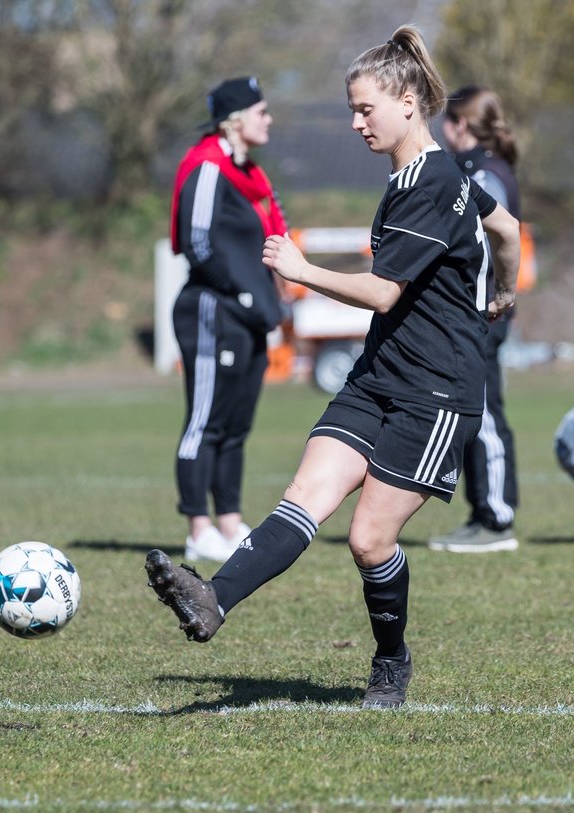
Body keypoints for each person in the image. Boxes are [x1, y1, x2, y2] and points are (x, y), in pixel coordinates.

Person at [144, 25, 521, 710]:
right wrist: (505, 287)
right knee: (303, 499)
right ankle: (212, 599)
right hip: (378, 377)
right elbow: (504, 230)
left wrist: (301, 269)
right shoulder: (433, 177)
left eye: (364, 109)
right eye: (351, 109)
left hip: (435, 395)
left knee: (369, 540)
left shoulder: (432, 183)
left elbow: (382, 291)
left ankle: (391, 661)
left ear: (408, 101)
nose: (354, 123)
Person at [168, 77, 288, 563]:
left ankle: (230, 522)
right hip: (214, 311)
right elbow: (195, 243)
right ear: (234, 120)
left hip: (251, 317)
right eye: (261, 111)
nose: (269, 119)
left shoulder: (251, 176)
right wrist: (238, 292)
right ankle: (199, 530)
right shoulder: (207, 169)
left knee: (236, 426)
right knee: (206, 422)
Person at [428, 84, 522, 554]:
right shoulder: (472, 170)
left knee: (484, 417)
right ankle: (480, 511)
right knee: (472, 414)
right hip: (470, 315)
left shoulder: (487, 175)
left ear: (460, 124)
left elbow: (489, 244)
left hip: (484, 314)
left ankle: (497, 517)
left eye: (445, 121)